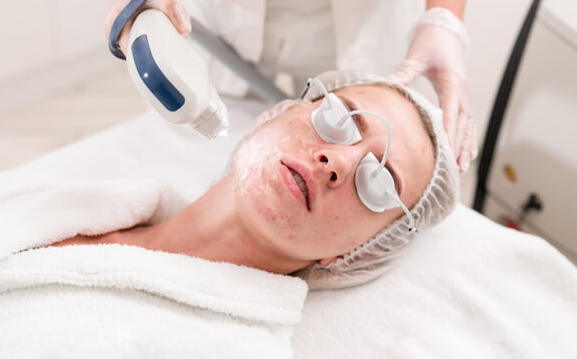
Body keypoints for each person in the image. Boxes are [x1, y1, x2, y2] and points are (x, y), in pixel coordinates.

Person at [53, 70, 459, 289]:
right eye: (341, 119)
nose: (338, 160)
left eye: (379, 183)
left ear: (359, 252)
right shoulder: (71, 212)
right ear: (278, 111)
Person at [105, 0, 477, 173]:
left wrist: (444, 17)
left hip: (359, 15)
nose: (329, 165)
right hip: (222, 12)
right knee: (201, 144)